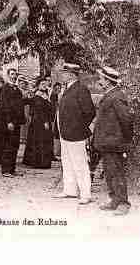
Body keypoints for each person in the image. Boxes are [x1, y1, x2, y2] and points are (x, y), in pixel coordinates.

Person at [53, 63, 96, 205]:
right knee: (67, 162)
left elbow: (90, 112)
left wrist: (78, 127)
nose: (62, 75)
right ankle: (70, 190)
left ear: (71, 75)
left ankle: (86, 194)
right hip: (65, 134)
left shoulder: (81, 89)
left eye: (64, 73)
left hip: (76, 134)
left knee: (80, 164)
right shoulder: (67, 89)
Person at [94, 67, 133, 216]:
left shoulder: (117, 96)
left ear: (108, 82)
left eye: (101, 79)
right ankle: (114, 200)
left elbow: (127, 120)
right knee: (110, 173)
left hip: (115, 143)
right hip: (107, 142)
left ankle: (123, 203)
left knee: (117, 173)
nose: (99, 81)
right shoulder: (110, 94)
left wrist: (124, 141)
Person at [22, 78, 54, 169]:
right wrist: (45, 122)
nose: (44, 85)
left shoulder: (45, 94)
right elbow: (39, 110)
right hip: (39, 121)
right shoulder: (37, 95)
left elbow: (49, 108)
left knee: (44, 141)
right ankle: (39, 162)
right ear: (38, 85)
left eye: (45, 83)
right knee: (39, 141)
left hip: (44, 120)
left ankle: (43, 161)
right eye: (42, 84)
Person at [0, 68, 26, 177]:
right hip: (9, 122)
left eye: (15, 74)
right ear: (8, 75)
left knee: (15, 145)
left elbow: (20, 106)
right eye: (12, 74)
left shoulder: (18, 90)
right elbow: (5, 106)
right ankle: (6, 170)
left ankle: (12, 169)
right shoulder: (5, 88)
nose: (14, 76)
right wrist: (9, 121)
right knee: (8, 145)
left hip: (17, 122)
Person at [50, 82, 62, 159]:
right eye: (57, 88)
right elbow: (53, 106)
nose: (58, 90)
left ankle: (56, 152)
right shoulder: (53, 95)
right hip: (53, 116)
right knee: (54, 133)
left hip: (58, 115)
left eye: (59, 88)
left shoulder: (59, 95)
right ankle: (54, 152)